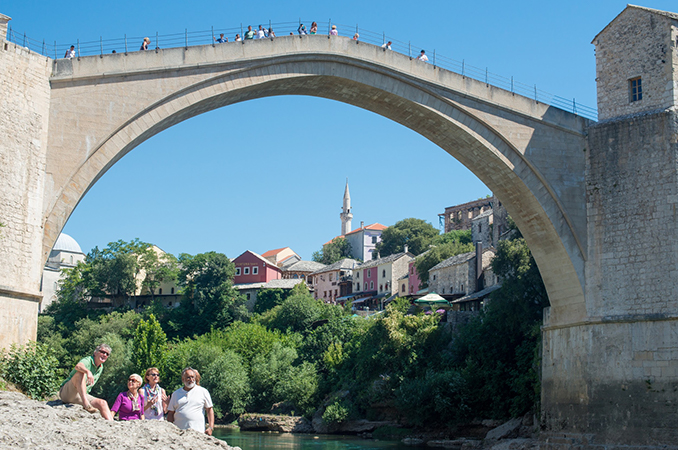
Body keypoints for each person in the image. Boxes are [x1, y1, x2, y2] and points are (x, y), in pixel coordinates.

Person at [58, 344, 114, 420]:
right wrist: (87, 371)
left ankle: (110, 423)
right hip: (68, 392)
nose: (104, 355)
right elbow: (78, 366)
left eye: (107, 354)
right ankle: (86, 404)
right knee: (80, 373)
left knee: (102, 403)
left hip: (80, 395)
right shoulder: (88, 360)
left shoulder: (100, 367)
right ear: (95, 352)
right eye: (102, 352)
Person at [167, 367, 215, 435]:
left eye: (192, 377)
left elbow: (209, 410)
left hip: (198, 432)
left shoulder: (203, 391)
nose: (191, 379)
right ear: (183, 379)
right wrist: (169, 429)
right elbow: (170, 413)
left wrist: (210, 427)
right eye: (188, 377)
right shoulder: (176, 394)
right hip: (179, 432)